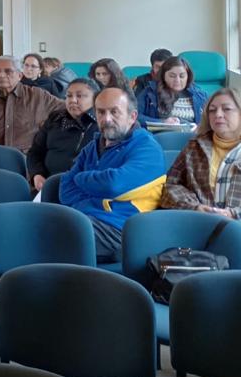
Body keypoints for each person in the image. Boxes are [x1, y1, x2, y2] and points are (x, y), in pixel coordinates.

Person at [59, 87, 167, 263]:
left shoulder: (147, 148)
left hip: (122, 230)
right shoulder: (92, 147)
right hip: (84, 219)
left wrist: (81, 179)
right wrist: (91, 193)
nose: (106, 119)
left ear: (132, 117)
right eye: (101, 112)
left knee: (49, 237)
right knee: (34, 225)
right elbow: (65, 189)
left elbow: (113, 184)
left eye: (114, 112)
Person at [161, 88, 241, 216]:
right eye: (212, 110)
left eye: (226, 109)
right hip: (198, 225)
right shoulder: (194, 147)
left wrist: (233, 214)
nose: (218, 114)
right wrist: (194, 207)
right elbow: (170, 185)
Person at [0, 56, 63, 152]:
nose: (1, 75)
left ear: (20, 76)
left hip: (28, 160)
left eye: (8, 71)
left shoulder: (37, 96)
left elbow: (68, 109)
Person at [26, 78, 100, 193]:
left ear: (95, 99)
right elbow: (35, 152)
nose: (73, 100)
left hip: (84, 191)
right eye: (69, 96)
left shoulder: (101, 124)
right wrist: (37, 174)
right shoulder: (55, 118)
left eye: (80, 96)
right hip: (48, 186)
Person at [137, 56, 209, 128]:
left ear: (188, 76)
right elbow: (135, 117)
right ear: (163, 76)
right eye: (172, 76)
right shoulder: (150, 92)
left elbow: (210, 119)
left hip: (192, 136)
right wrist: (163, 122)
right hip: (160, 136)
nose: (177, 80)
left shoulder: (200, 95)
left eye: (182, 76)